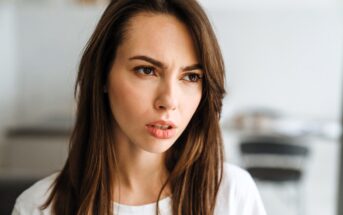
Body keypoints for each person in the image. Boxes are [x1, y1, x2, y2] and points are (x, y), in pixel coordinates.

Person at [12, 0, 267, 214]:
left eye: (191, 77)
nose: (169, 100)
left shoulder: (232, 196)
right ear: (103, 75)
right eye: (147, 70)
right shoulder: (38, 207)